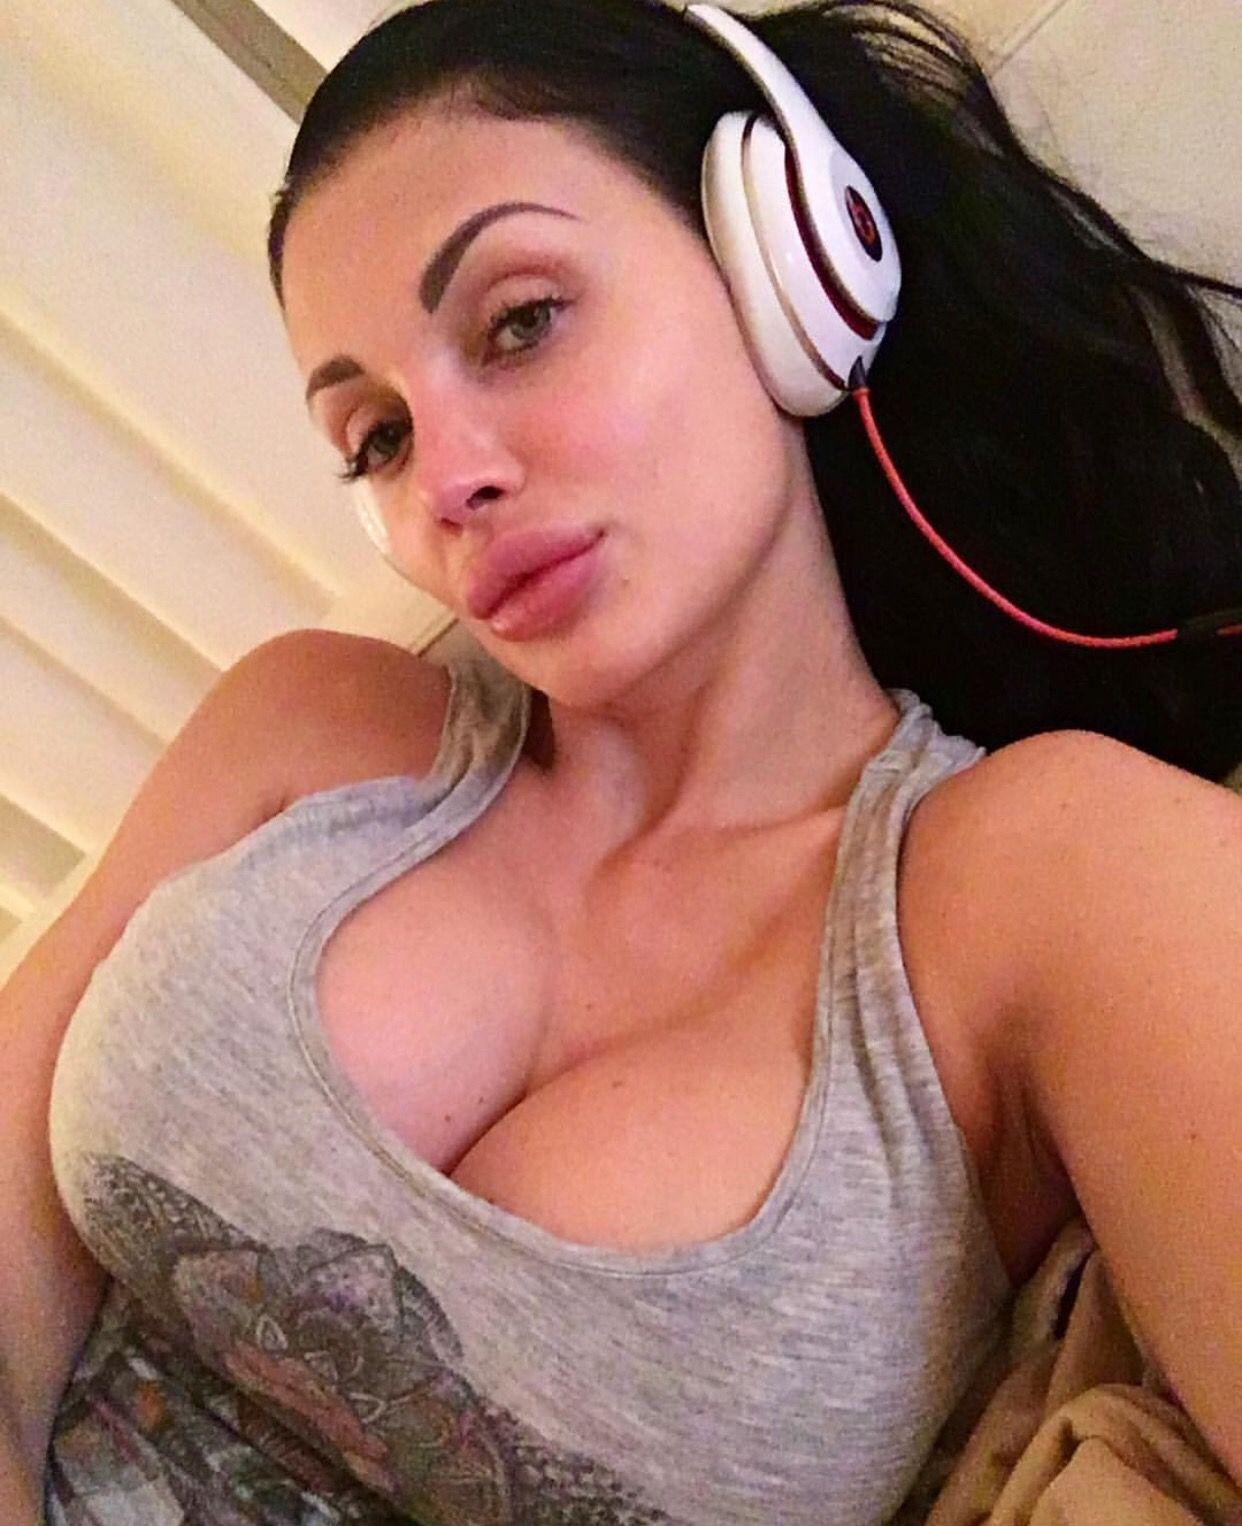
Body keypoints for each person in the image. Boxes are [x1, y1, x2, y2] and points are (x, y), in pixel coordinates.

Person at [2, 0, 1240, 1519]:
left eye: (520, 322)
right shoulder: (308, 723)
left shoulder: (1052, 873)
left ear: (792, 273)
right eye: (377, 434)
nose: (447, 481)